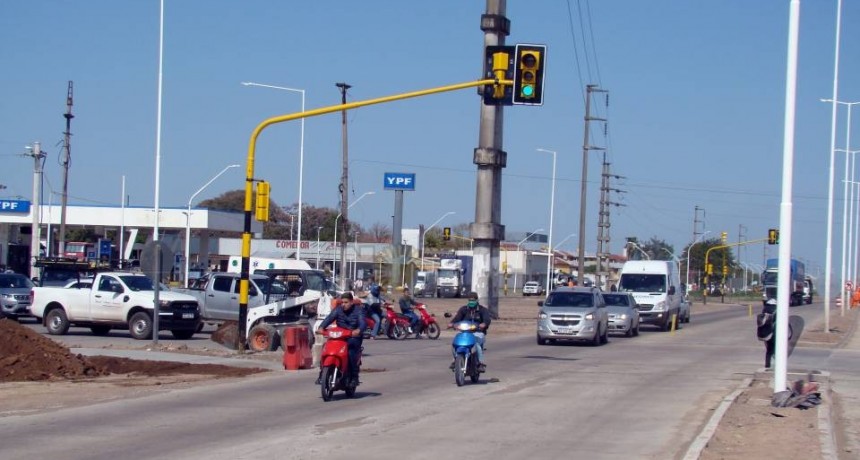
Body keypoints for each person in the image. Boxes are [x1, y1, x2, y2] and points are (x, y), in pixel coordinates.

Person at [317, 292, 366, 386]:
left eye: (346, 302)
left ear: (351, 302)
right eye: (342, 302)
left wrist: (358, 330)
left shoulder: (359, 311)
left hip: (353, 337)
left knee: (351, 351)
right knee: (326, 348)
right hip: (339, 336)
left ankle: (354, 378)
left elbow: (363, 323)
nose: (343, 304)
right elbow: (329, 318)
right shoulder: (338, 310)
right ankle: (322, 373)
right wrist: (321, 327)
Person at [447, 291, 491, 371]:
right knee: (455, 344)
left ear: (477, 300)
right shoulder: (464, 309)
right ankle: (455, 360)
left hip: (478, 332)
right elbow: (457, 318)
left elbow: (487, 319)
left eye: (473, 300)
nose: (471, 302)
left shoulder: (482, 310)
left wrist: (484, 324)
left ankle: (480, 363)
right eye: (470, 300)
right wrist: (452, 323)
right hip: (465, 332)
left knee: (476, 345)